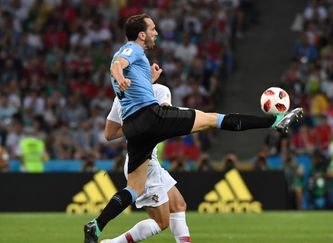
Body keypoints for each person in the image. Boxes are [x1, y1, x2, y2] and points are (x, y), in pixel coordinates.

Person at [84, 13, 303, 243]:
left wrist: (146, 80)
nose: (156, 33)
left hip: (134, 129)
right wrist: (119, 77)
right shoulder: (133, 49)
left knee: (133, 189)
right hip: (152, 117)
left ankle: (96, 226)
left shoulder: (136, 63)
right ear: (141, 34)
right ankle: (275, 122)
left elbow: (123, 101)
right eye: (152, 29)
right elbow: (117, 64)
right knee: (212, 119)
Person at [100, 84, 190, 243]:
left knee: (178, 205)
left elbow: (109, 133)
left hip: (149, 160)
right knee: (161, 222)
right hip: (144, 163)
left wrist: (133, 126)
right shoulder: (160, 90)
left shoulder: (121, 96)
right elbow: (164, 116)